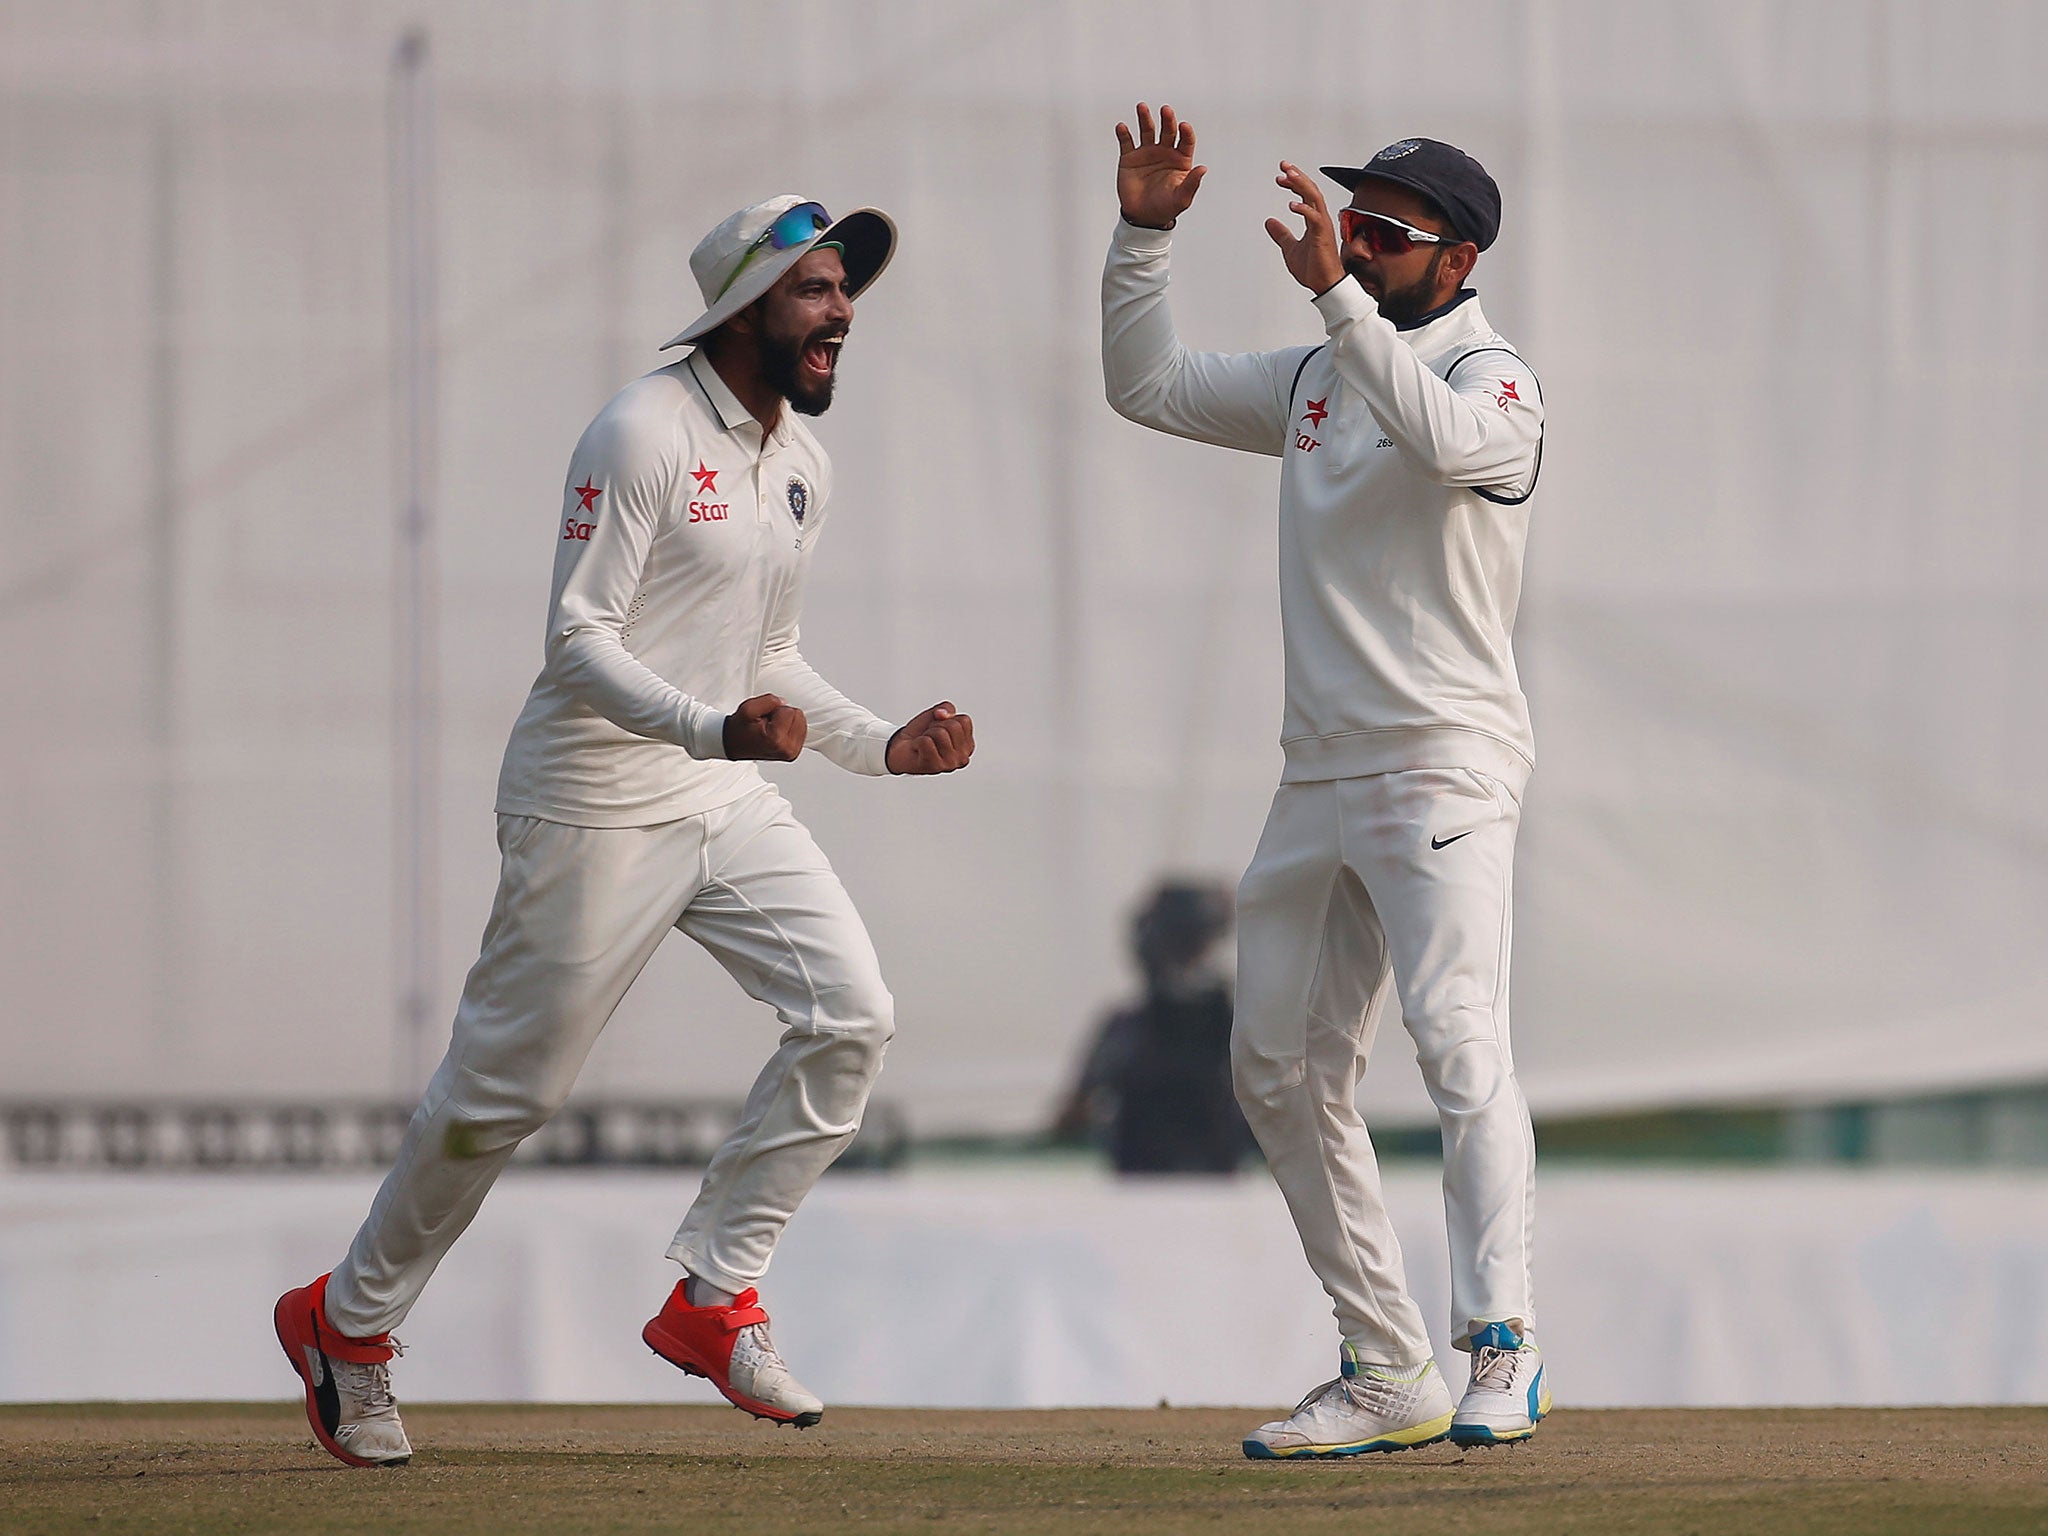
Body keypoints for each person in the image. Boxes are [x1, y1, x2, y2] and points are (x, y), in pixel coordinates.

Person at [275, 195, 974, 1468]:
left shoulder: (803, 460)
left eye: (843, 288)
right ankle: (345, 1323)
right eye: (814, 289)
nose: (841, 311)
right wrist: (712, 729)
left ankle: (713, 1299)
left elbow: (769, 658)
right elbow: (577, 640)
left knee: (851, 1014)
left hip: (714, 796)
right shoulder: (639, 431)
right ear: (745, 305)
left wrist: (878, 743)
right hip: (590, 797)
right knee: (504, 1099)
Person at [1102, 105, 1549, 1458]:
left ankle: (1504, 1345)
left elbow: (1454, 448)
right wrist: (1144, 234)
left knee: (1458, 1042)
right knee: (1276, 1068)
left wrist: (1344, 303)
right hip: (1318, 775)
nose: (1352, 241)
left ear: (1458, 260)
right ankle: (1387, 1363)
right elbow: (1148, 387)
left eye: (1386, 232)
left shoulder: (1496, 378)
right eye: (1353, 220)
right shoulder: (1313, 377)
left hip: (1445, 761)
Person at [1051, 880, 1252, 1174]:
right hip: (1149, 1188)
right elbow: (1074, 1113)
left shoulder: (1230, 1024)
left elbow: (1073, 1114)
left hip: (1204, 1186)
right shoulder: (1127, 1027)